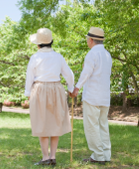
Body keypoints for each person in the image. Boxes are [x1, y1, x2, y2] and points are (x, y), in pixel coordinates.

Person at [24, 28, 74, 166]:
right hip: (56, 88)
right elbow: (69, 74)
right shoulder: (58, 57)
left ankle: (46, 157)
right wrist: (71, 88)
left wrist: (28, 93)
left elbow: (29, 77)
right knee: (55, 121)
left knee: (42, 122)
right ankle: (52, 156)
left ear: (38, 44)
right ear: (51, 42)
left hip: (39, 88)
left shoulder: (35, 57)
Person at [70, 27, 112, 165]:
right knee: (103, 125)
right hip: (104, 96)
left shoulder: (92, 54)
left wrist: (76, 88)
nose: (87, 41)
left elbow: (86, 73)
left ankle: (98, 156)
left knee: (92, 126)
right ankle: (106, 154)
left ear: (92, 40)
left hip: (92, 96)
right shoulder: (107, 55)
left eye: (88, 39)